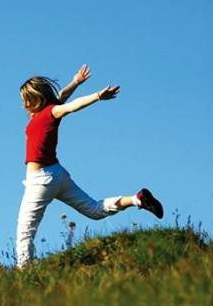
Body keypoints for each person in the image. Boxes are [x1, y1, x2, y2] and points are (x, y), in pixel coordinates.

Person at [16, 66, 164, 267]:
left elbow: (71, 106)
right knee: (94, 210)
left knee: (25, 232)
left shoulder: (51, 112)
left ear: (38, 99)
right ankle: (137, 199)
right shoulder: (46, 112)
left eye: (27, 99)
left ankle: (24, 276)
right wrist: (75, 82)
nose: (24, 104)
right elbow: (62, 98)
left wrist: (96, 96)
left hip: (41, 181)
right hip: (58, 175)